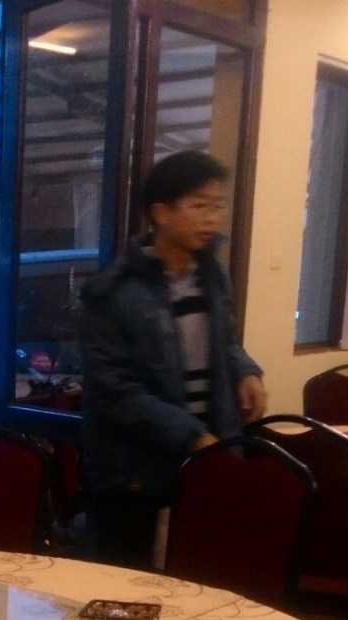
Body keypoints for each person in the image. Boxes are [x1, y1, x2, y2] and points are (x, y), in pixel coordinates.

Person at [79, 150, 267, 569]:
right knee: (127, 585)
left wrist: (245, 371)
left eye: (217, 206)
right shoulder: (114, 292)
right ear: (161, 213)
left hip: (208, 455)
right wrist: (190, 434)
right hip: (135, 471)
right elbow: (114, 391)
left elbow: (224, 342)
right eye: (199, 206)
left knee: (202, 579)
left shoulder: (212, 276)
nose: (212, 219)